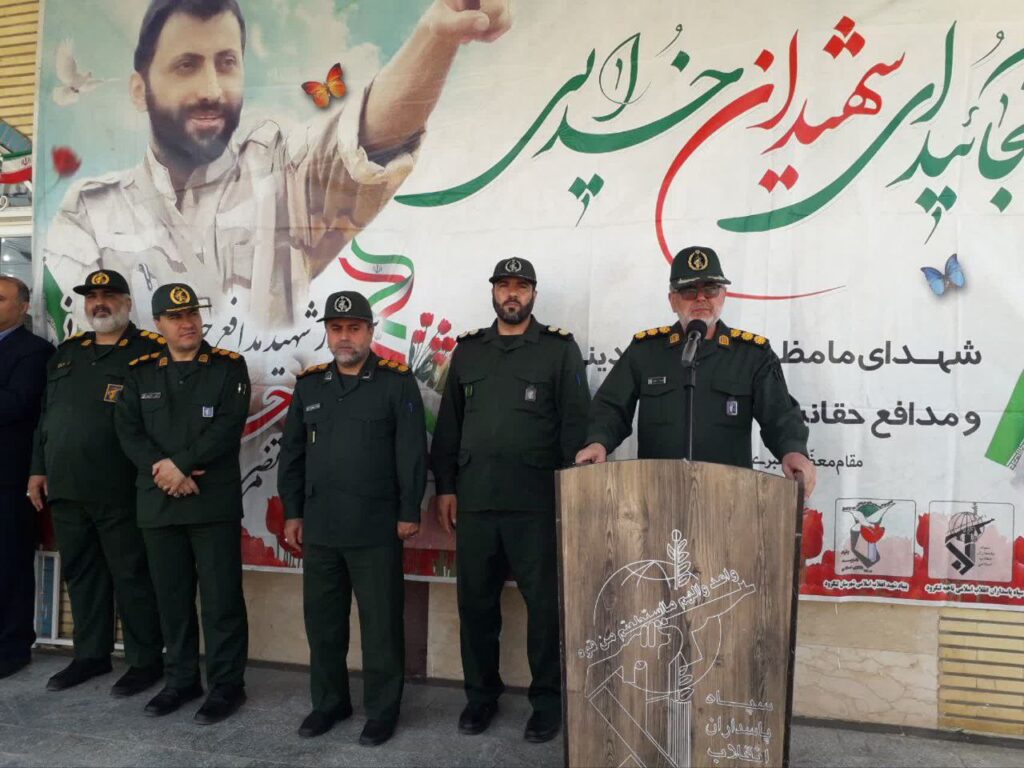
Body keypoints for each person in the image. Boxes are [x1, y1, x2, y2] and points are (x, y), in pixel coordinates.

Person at [43, 0, 513, 330]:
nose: (212, 89)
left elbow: (367, 140)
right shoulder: (90, 212)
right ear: (139, 90)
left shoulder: (276, 170)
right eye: (186, 65)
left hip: (275, 443)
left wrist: (435, 37)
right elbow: (89, 351)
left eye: (226, 63)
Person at [430, 258, 590, 742]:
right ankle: (480, 698)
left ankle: (547, 703)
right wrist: (446, 487)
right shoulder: (469, 351)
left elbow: (575, 427)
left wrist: (570, 497)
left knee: (544, 610)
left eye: (521, 286)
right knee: (476, 606)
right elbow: (449, 427)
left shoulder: (558, 350)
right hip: (476, 502)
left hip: (537, 504)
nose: (512, 294)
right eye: (504, 286)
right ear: (494, 293)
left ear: (533, 294)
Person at [277, 291, 427, 746]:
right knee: (324, 624)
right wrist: (293, 512)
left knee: (381, 626)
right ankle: (329, 703)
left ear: (370, 331)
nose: (345, 337)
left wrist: (408, 511)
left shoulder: (396, 383)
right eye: (336, 328)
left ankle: (382, 710)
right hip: (321, 525)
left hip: (376, 527)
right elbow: (292, 454)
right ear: (327, 332)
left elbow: (411, 452)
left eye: (354, 328)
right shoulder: (311, 386)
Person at [575, 246, 817, 498]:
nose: (701, 298)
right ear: (672, 300)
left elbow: (780, 414)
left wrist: (793, 450)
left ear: (723, 296)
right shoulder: (645, 351)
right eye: (689, 290)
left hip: (730, 499)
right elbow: (611, 407)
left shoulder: (753, 355)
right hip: (657, 495)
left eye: (710, 289)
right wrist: (598, 442)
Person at [114, 282, 250, 723]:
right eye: (175, 317)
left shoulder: (229, 367)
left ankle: (227, 686)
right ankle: (180, 680)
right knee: (171, 601)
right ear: (158, 324)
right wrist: (165, 470)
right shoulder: (140, 371)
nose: (187, 323)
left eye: (192, 313)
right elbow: (128, 431)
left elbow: (227, 427)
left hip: (212, 504)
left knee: (221, 601)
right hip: (159, 503)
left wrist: (181, 465)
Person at [28, 270, 165, 696]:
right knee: (82, 574)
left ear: (127, 302)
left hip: (121, 488)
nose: (99, 303)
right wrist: (37, 468)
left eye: (108, 295)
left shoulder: (150, 351)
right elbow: (46, 417)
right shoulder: (68, 352)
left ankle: (144, 661)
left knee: (132, 576)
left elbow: (162, 420)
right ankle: (90, 655)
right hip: (67, 486)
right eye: (92, 297)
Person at [0, 276, 54, 679]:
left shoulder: (34, 351)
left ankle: (13, 647)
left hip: (10, 477)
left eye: (1, 298)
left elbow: (17, 405)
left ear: (23, 307)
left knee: (11, 564)